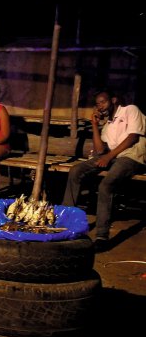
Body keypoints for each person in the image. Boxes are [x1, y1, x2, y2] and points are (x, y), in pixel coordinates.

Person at [62, 90, 146, 252]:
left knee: (106, 185)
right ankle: (65, 220)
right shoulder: (108, 125)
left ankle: (102, 236)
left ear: (113, 100)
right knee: (76, 170)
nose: (100, 106)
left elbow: (133, 137)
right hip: (113, 156)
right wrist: (95, 125)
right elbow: (100, 151)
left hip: (132, 156)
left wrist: (108, 157)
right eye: (97, 104)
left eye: (103, 102)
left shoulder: (130, 110)